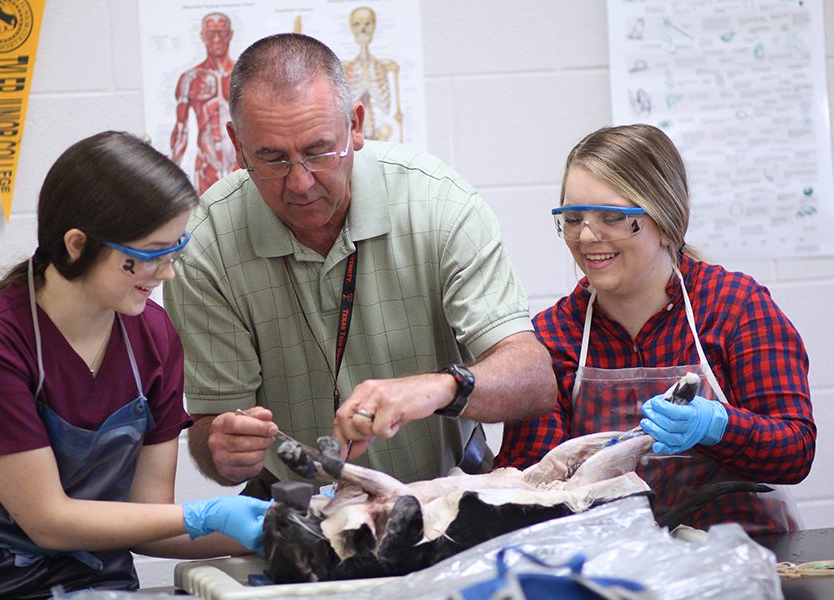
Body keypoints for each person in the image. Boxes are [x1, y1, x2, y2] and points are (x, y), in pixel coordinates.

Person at [162, 33, 557, 498]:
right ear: (237, 145)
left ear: (355, 125)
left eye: (318, 151)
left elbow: (534, 379)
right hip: (299, 506)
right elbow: (214, 435)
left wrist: (440, 387)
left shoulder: (436, 202)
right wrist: (222, 450)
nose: (301, 182)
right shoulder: (206, 244)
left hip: (446, 493)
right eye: (272, 159)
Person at [0, 131, 271, 598]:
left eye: (176, 248)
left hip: (98, 582)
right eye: (151, 254)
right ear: (77, 244)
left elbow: (148, 520)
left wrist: (280, 527)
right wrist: (202, 515)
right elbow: (49, 521)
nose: (168, 272)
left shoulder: (153, 335)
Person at [496, 123, 815, 534]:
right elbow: (535, 485)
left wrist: (718, 427)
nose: (587, 236)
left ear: (665, 222)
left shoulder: (735, 307)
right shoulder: (554, 336)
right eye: (572, 218)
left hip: (743, 555)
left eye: (613, 216)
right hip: (613, 567)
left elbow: (795, 452)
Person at [170, 12, 237, 195]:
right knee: (206, 221)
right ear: (202, 36)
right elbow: (181, 130)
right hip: (207, 166)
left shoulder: (245, 75)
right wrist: (167, 177)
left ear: (230, 35)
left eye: (222, 32)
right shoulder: (190, 78)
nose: (216, 38)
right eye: (210, 33)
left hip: (241, 166)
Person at [342, 6, 403, 142]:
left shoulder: (385, 65)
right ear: (351, 28)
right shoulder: (345, 66)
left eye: (367, 24)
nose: (362, 30)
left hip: (381, 135)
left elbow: (391, 110)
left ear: (374, 27)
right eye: (357, 24)